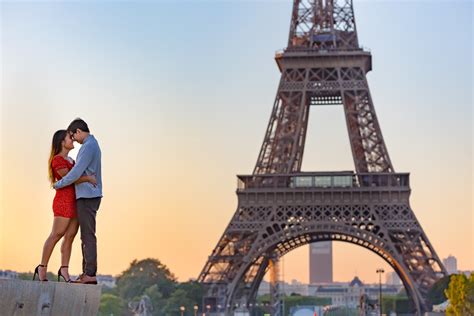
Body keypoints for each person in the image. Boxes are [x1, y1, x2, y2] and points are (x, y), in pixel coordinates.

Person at [33, 130, 96, 282]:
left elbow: (74, 174)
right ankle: (42, 267)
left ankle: (64, 270)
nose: (72, 139)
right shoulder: (57, 160)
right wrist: (88, 178)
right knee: (56, 234)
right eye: (70, 137)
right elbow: (69, 178)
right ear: (62, 141)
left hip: (75, 201)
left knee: (70, 236)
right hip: (63, 201)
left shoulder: (71, 161)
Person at [53, 118, 102, 285]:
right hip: (88, 195)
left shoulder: (88, 146)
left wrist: (58, 184)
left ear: (79, 132)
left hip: (88, 196)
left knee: (87, 235)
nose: (74, 140)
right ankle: (86, 273)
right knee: (84, 236)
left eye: (73, 136)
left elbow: (74, 174)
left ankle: (89, 274)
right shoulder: (91, 145)